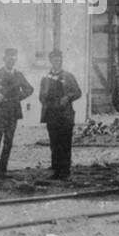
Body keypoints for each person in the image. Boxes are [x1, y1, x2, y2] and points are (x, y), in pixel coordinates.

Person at [0, 47, 33, 179]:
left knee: (8, 141)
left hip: (12, 113)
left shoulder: (18, 75)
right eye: (9, 58)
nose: (11, 61)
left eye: (14, 59)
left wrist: (17, 98)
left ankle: (2, 170)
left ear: (15, 60)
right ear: (4, 59)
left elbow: (29, 89)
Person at [39, 49, 81, 180]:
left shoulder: (68, 76)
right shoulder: (45, 78)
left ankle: (65, 171)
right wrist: (47, 102)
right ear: (50, 61)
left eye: (59, 59)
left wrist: (68, 97)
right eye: (54, 59)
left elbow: (78, 92)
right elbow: (41, 96)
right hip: (52, 115)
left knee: (65, 143)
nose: (57, 61)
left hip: (65, 115)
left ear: (61, 60)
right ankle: (56, 170)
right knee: (54, 143)